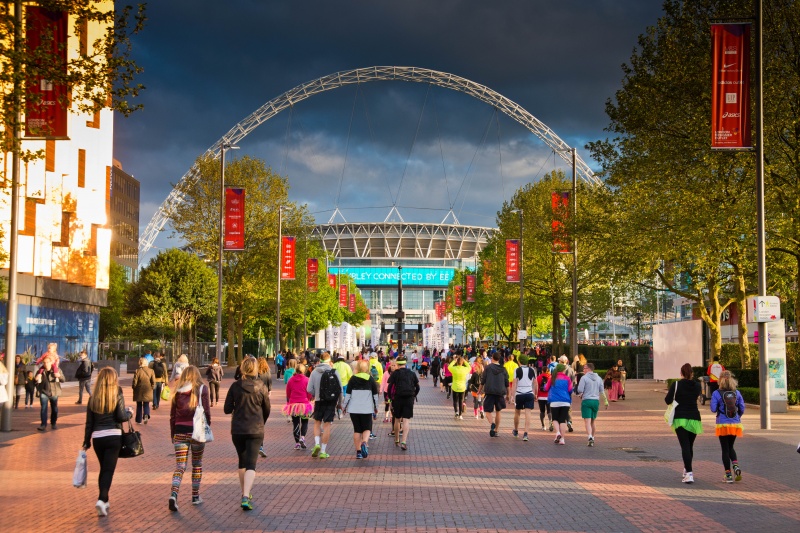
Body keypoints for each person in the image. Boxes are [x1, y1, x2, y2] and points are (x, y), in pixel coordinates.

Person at [82, 367, 133, 517]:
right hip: (114, 436)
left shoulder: (93, 397)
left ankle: (105, 499)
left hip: (98, 437)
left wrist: (86, 441)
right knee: (108, 470)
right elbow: (121, 416)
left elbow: (89, 423)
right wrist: (130, 412)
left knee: (103, 469)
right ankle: (101, 499)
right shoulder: (117, 392)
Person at [223, 357, 270, 511]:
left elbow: (227, 409)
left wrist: (238, 405)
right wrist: (261, 420)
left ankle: (245, 493)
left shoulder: (235, 386)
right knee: (251, 464)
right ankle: (245, 495)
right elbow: (267, 408)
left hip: (238, 429)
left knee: (242, 461)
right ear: (255, 369)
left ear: (242, 368)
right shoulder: (261, 386)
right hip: (256, 428)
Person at [169, 365, 211, 511]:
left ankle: (174, 494)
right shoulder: (202, 389)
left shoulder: (177, 392)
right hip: (197, 432)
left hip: (180, 431)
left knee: (180, 466)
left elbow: (172, 416)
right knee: (197, 463)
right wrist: (208, 427)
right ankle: (195, 496)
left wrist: (173, 433)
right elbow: (206, 411)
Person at [665, 363, 703, 484]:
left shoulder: (676, 384)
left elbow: (667, 400)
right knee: (690, 446)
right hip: (694, 418)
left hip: (680, 418)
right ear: (692, 373)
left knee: (685, 446)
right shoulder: (697, 385)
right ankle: (687, 469)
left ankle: (689, 473)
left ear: (681, 373)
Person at [710, 370, 745, 483]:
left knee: (725, 449)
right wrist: (737, 417)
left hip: (722, 424)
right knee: (731, 447)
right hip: (735, 424)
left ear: (720, 380)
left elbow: (713, 409)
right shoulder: (737, 393)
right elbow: (742, 408)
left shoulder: (716, 393)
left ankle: (728, 475)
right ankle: (736, 466)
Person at [307, 351, 342, 459]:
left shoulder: (314, 372)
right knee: (327, 425)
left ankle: (316, 443)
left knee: (317, 423)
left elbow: (309, 389)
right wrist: (339, 403)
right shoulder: (334, 372)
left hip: (319, 400)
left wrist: (316, 394)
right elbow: (339, 389)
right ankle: (323, 451)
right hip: (331, 401)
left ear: (320, 360)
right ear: (329, 360)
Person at [343, 359, 380, 459]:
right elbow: (375, 395)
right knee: (367, 428)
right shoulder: (371, 379)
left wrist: (344, 406)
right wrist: (376, 407)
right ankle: (364, 442)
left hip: (354, 409)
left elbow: (348, 395)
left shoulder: (353, 379)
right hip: (367, 408)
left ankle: (358, 452)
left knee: (357, 430)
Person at [386, 356, 419, 450]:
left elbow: (389, 387)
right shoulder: (412, 373)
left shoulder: (395, 374)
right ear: (405, 363)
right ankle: (404, 441)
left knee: (397, 419)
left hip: (398, 398)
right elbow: (418, 387)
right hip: (409, 398)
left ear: (397, 364)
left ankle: (397, 439)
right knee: (406, 420)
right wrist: (414, 396)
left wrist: (390, 399)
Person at [282, 363, 312, 449]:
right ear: (303, 371)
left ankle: (297, 443)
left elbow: (288, 393)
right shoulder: (307, 380)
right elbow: (309, 392)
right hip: (304, 404)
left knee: (296, 423)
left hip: (294, 405)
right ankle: (302, 437)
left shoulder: (291, 380)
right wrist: (309, 399)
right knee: (305, 422)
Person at [576, 363, 608, 446]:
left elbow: (580, 389)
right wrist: (605, 401)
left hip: (586, 401)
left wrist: (581, 393)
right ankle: (593, 438)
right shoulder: (599, 378)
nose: (583, 370)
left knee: (587, 421)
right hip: (595, 401)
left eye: (584, 368)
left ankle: (589, 436)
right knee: (593, 421)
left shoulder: (584, 378)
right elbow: (602, 391)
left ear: (588, 369)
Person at [480, 351, 509, 438]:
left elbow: (483, 380)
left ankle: (492, 423)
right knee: (498, 411)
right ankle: (496, 430)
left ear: (492, 357)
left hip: (490, 392)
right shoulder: (503, 369)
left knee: (488, 410)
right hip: (500, 392)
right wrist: (508, 394)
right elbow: (507, 382)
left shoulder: (488, 368)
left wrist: (479, 390)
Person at [544, 363, 573, 445]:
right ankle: (562, 439)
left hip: (554, 401)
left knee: (555, 419)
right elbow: (570, 390)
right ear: (564, 370)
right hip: (565, 401)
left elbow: (546, 388)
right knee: (563, 420)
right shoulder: (567, 378)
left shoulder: (552, 378)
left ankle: (557, 433)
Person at [35, 356, 65, 431]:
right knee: (43, 409)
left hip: (54, 392)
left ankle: (53, 422)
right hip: (44, 392)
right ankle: (43, 424)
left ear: (51, 362)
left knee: (54, 409)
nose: (46, 364)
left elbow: (63, 380)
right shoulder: (40, 371)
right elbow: (35, 382)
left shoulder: (56, 370)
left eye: (47, 362)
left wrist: (59, 376)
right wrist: (36, 379)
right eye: (44, 362)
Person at [512, 354, 537, 441]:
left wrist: (512, 395)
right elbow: (535, 383)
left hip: (519, 394)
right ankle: (526, 433)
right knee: (528, 414)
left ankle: (516, 430)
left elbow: (514, 383)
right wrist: (536, 394)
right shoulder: (532, 370)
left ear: (519, 361)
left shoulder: (517, 370)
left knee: (517, 413)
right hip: (529, 393)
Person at [256, 357, 273, 457]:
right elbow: (269, 382)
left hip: (256, 395)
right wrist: (269, 390)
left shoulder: (256, 371)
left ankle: (258, 445)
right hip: (265, 395)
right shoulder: (267, 371)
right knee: (261, 424)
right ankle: (261, 446)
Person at [132, 357, 155, 424]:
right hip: (148, 389)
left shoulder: (137, 371)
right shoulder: (151, 371)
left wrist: (134, 387)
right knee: (146, 404)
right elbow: (153, 381)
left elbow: (135, 382)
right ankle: (146, 414)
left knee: (139, 405)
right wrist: (152, 387)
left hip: (139, 390)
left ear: (140, 363)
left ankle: (138, 420)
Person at [448, 355, 470, 419]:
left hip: (455, 387)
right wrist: (465, 361)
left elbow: (449, 366)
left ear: (457, 362)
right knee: (461, 401)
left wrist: (454, 361)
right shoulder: (465, 369)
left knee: (455, 400)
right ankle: (460, 414)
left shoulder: (454, 369)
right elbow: (469, 366)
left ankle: (456, 412)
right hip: (462, 387)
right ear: (462, 362)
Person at [536, 367, 553, 431]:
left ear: (542, 371)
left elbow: (536, 387)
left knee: (542, 411)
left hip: (541, 397)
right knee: (549, 411)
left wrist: (536, 395)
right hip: (549, 396)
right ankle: (550, 422)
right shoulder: (551, 377)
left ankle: (543, 425)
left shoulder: (538, 377)